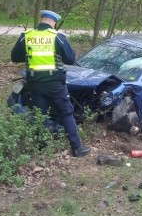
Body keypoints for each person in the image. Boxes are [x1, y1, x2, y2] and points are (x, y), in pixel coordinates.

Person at [11, 10, 91, 158]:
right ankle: (77, 148)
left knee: (39, 115)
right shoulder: (57, 37)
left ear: (41, 20)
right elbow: (70, 59)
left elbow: (14, 56)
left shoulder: (26, 36)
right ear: (53, 23)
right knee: (66, 112)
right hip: (55, 84)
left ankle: (41, 149)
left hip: (35, 84)